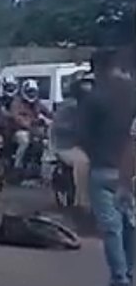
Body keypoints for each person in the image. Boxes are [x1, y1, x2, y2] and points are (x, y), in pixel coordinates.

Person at [78, 49, 135, 286]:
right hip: (131, 172)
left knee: (112, 230)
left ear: (98, 67)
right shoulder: (132, 91)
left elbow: (83, 135)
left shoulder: (95, 97)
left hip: (104, 168)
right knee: (130, 227)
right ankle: (129, 279)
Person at [51, 75, 93, 209]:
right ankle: (82, 201)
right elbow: (59, 127)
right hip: (66, 146)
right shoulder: (67, 108)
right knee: (83, 162)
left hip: (87, 145)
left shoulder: (94, 107)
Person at [9, 79, 51, 170]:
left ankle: (43, 167)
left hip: (35, 130)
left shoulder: (37, 102)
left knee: (48, 141)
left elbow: (48, 113)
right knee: (24, 141)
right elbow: (17, 117)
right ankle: (17, 166)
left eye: (33, 92)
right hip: (20, 130)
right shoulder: (17, 102)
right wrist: (29, 122)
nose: (31, 94)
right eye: (29, 92)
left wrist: (56, 119)